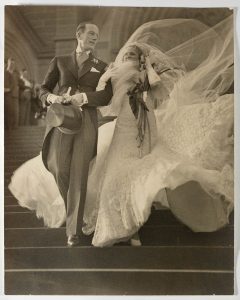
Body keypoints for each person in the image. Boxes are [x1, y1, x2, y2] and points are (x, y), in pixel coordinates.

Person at [9, 16, 234, 247]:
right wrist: (64, 97)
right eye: (90, 35)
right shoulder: (83, 66)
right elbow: (65, 92)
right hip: (91, 124)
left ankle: (108, 226)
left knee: (115, 172)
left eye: (132, 55)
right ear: (79, 35)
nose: (127, 56)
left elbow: (133, 94)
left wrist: (140, 72)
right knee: (81, 170)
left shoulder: (126, 71)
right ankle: (93, 218)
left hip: (123, 123)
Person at [38, 22, 113, 246]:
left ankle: (74, 230)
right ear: (78, 35)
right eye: (91, 33)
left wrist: (86, 98)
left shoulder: (102, 66)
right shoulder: (59, 61)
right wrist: (53, 98)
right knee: (60, 168)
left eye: (97, 35)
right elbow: (42, 90)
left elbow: (107, 95)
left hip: (87, 121)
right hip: (61, 119)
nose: (94, 38)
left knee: (79, 174)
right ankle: (74, 211)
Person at [4, 58, 21, 130]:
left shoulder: (15, 74)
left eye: (13, 64)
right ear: (8, 63)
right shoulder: (5, 72)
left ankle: (14, 127)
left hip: (15, 95)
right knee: (9, 111)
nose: (12, 65)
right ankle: (9, 128)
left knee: (15, 112)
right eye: (11, 63)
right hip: (7, 95)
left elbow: (20, 83)